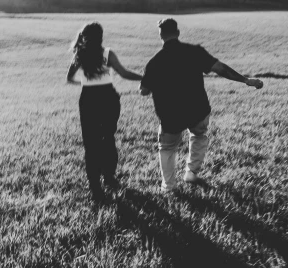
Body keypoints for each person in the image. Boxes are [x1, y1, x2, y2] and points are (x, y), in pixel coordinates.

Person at [140, 18, 263, 193]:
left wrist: (145, 85)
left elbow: (144, 91)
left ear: (160, 35)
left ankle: (168, 187)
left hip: (170, 115)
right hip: (197, 109)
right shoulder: (194, 51)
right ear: (178, 33)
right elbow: (220, 68)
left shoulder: (154, 62)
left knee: (167, 148)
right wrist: (245, 80)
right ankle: (191, 172)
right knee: (199, 135)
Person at [67, 22, 142, 203]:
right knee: (108, 137)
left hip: (88, 99)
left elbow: (69, 78)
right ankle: (109, 177)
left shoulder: (79, 54)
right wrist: (145, 77)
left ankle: (95, 187)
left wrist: (85, 84)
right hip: (108, 98)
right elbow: (124, 73)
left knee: (90, 143)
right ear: (101, 36)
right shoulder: (107, 53)